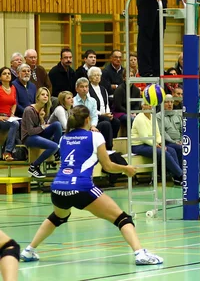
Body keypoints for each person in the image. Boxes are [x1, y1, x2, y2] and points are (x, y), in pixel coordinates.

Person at [20, 106, 163, 265]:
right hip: (81, 187)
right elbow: (107, 166)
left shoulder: (63, 138)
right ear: (88, 120)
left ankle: (29, 250)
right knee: (122, 218)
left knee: (58, 217)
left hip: (58, 187)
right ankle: (140, 253)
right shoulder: (95, 137)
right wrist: (126, 169)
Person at [21, 87, 61, 178]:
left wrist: (42, 118)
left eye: (47, 95)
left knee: (57, 124)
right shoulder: (29, 110)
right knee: (53, 146)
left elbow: (42, 127)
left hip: (39, 134)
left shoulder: (45, 109)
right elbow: (31, 131)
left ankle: (57, 152)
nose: (45, 97)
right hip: (29, 138)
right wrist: (43, 126)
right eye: (43, 95)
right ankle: (34, 166)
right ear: (38, 97)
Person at [0, 67, 19, 162]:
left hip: (8, 117)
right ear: (0, 77)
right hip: (0, 117)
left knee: (19, 122)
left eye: (9, 73)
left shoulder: (13, 88)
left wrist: (12, 114)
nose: (7, 75)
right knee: (15, 124)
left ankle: (20, 152)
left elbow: (14, 103)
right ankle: (7, 152)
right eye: (4, 73)